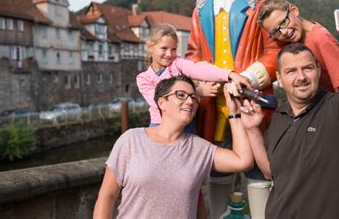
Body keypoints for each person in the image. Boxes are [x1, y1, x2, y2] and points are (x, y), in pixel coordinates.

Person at [239, 6, 339, 218]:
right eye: (291, 71)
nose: (301, 77)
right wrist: (252, 130)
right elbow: (271, 171)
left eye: (307, 68)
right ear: (279, 76)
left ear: (318, 68)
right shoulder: (278, 118)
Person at [186, 0, 282, 217]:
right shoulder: (202, 7)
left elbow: (275, 51)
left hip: (250, 99)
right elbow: (193, 54)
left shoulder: (262, 5)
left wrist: (251, 77)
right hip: (214, 104)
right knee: (217, 163)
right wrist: (203, 82)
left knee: (257, 164)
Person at [93, 75, 253, 218]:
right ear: (161, 102)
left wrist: (235, 114)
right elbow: (107, 196)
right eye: (181, 95)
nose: (190, 101)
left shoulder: (199, 148)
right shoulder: (131, 140)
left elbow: (243, 161)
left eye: (194, 97)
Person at [137, 23, 251, 130]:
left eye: (173, 49)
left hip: (186, 123)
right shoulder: (143, 78)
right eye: (164, 48)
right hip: (160, 125)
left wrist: (230, 74)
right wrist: (197, 92)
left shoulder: (177, 63)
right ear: (150, 47)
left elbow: (199, 70)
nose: (169, 54)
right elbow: (158, 102)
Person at [257, 0, 339, 92]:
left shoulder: (321, 38)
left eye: (284, 22)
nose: (284, 32)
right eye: (276, 31)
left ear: (294, 10)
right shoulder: (289, 43)